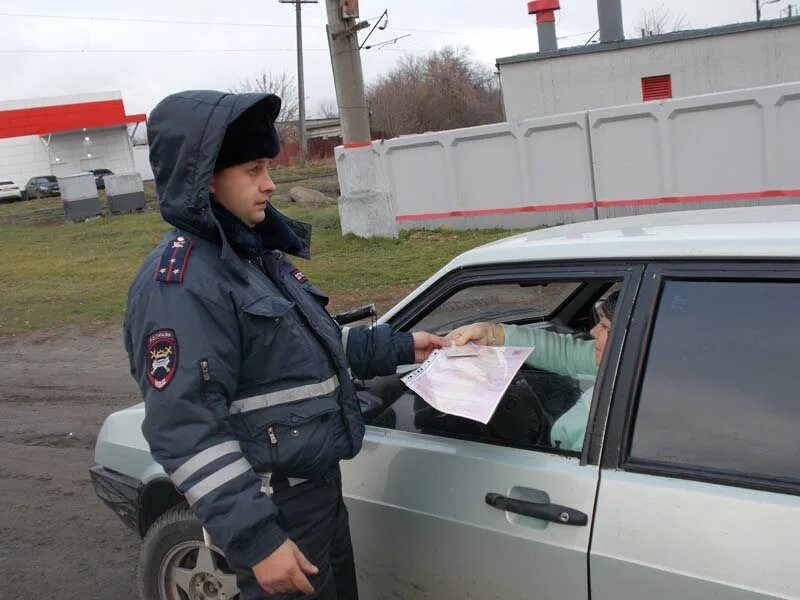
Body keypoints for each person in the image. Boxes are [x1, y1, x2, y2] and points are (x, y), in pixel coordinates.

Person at [123, 90, 445, 599]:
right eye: (253, 170)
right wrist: (257, 539)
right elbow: (185, 427)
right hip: (276, 509)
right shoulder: (181, 285)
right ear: (206, 177)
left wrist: (402, 347)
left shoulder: (252, 257)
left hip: (318, 495)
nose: (270, 184)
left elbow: (303, 351)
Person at [445, 291, 619, 451]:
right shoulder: (624, 362)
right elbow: (566, 352)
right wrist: (492, 334)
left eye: (604, 326)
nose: (593, 331)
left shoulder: (611, 421)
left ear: (627, 335)